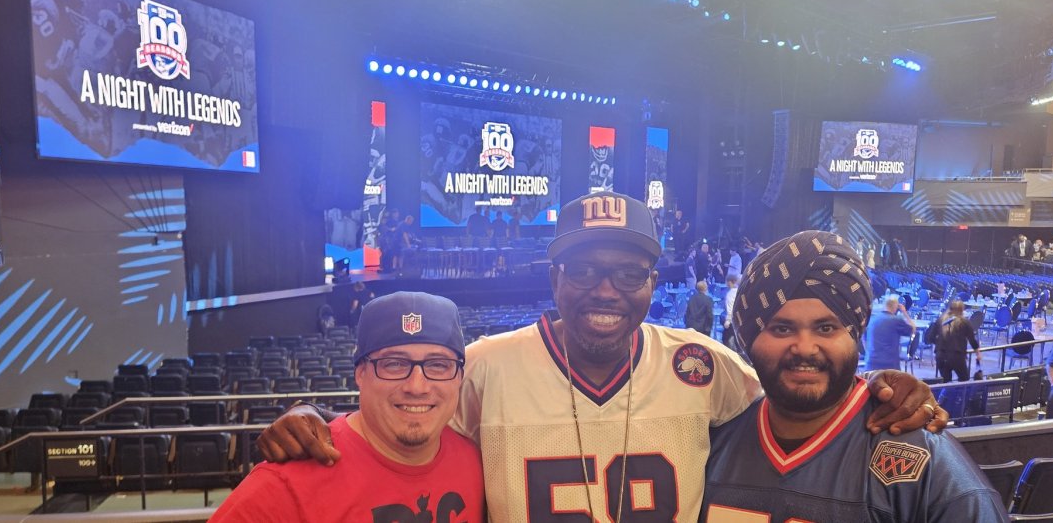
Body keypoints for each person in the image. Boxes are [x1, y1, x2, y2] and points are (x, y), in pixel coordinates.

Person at [256, 192, 947, 521]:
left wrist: (882, 391)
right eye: (583, 270)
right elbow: (403, 422)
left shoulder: (701, 365)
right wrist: (317, 416)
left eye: (628, 272)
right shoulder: (490, 365)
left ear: (654, 283)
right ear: (553, 277)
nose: (605, 289)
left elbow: (802, 401)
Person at [702, 231, 1007, 522]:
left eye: (826, 328)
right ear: (748, 339)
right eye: (782, 329)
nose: (805, 348)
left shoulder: (923, 460)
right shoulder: (710, 441)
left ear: (856, 335)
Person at [210, 292, 483, 521]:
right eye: (394, 364)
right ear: (360, 373)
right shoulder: (285, 486)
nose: (417, 386)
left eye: (438, 364)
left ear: (459, 375)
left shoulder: (477, 462)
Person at [928, 300, 982, 382]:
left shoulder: (940, 320)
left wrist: (940, 343)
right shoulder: (964, 322)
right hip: (957, 356)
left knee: (946, 382)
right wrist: (978, 354)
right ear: (962, 310)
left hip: (941, 355)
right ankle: (958, 395)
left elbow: (930, 337)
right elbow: (972, 340)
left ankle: (946, 395)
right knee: (964, 380)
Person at [865, 297, 916, 372]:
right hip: (889, 365)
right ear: (896, 307)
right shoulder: (896, 320)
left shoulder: (872, 319)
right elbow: (913, 329)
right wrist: (904, 312)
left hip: (871, 363)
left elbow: (864, 340)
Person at [721, 273, 740, 349]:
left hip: (732, 321)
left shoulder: (730, 294)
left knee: (726, 341)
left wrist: (728, 321)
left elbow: (730, 308)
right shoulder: (740, 290)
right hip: (740, 321)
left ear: (729, 282)